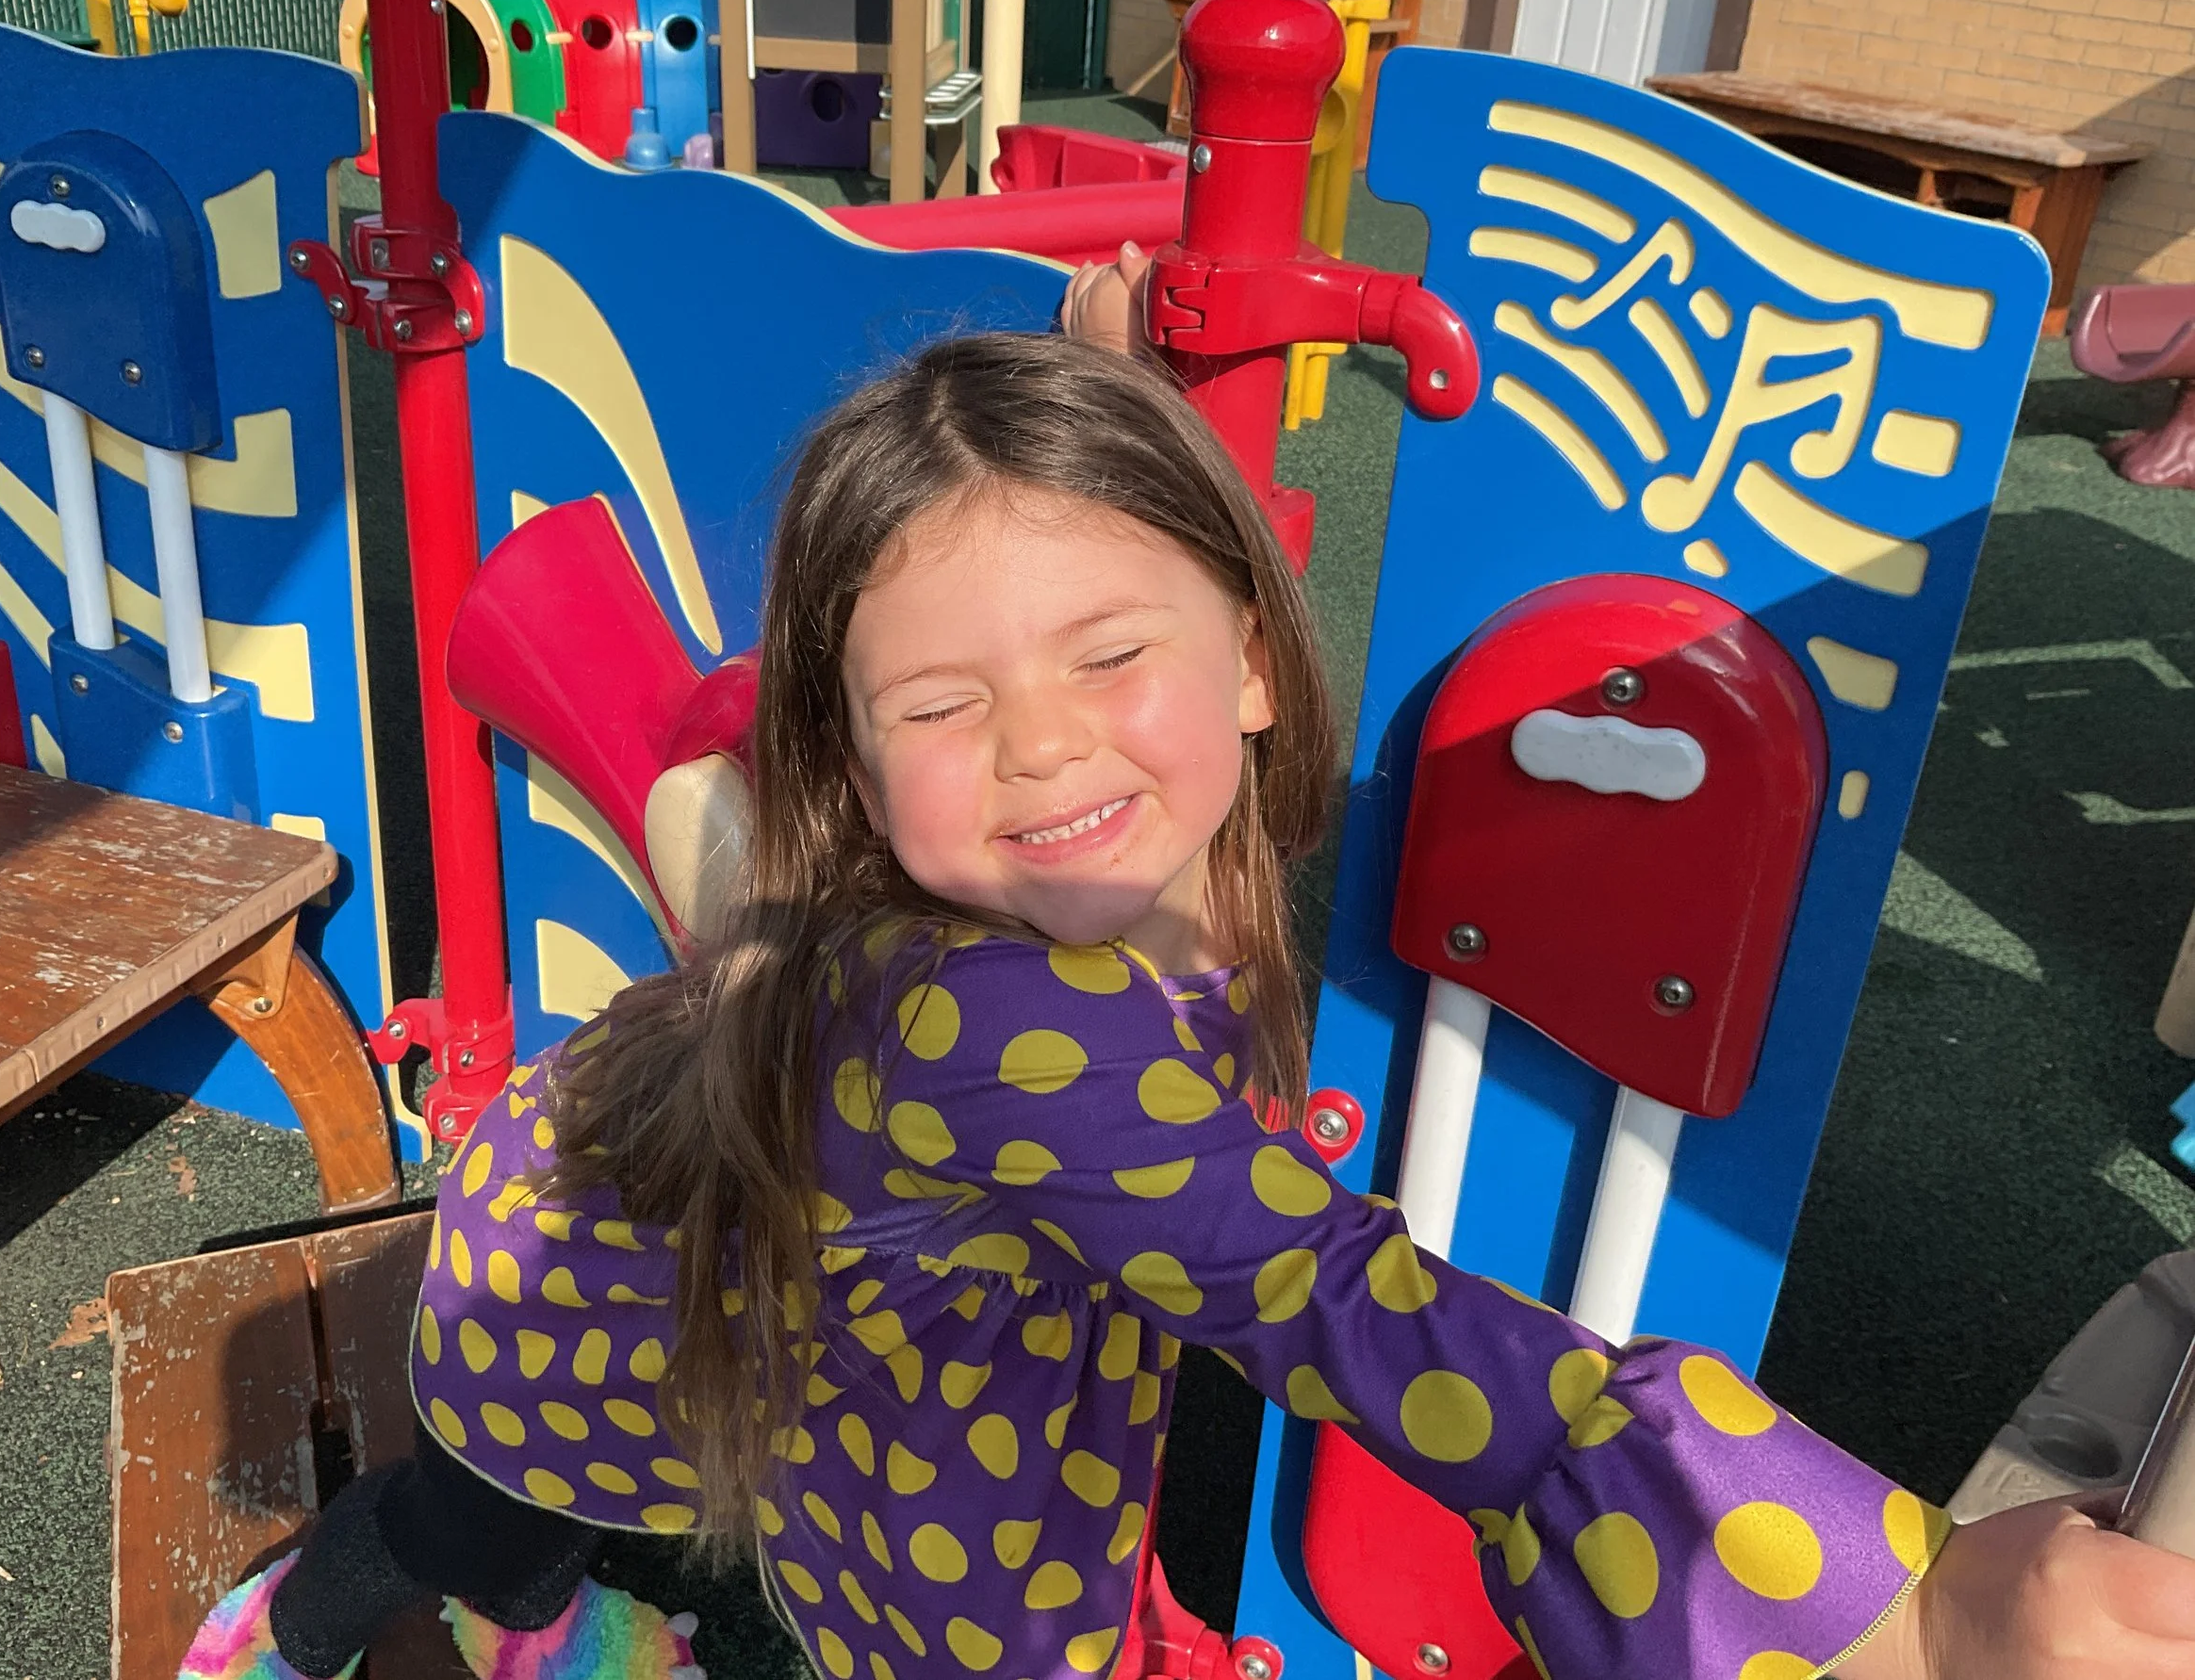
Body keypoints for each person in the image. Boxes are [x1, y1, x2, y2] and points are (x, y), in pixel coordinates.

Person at [183, 273, 2195, 1680]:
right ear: (854, 765)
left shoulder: (1074, 881)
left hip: (769, 1273)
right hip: (592, 1300)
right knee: (488, 1514)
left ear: (1249, 649)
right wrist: (1895, 1607)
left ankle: (514, 1594)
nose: (1046, 743)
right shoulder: (1001, 1021)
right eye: (942, 703)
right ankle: (289, 1630)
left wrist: (1096, 386)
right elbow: (1355, 1310)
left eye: (1109, 652)